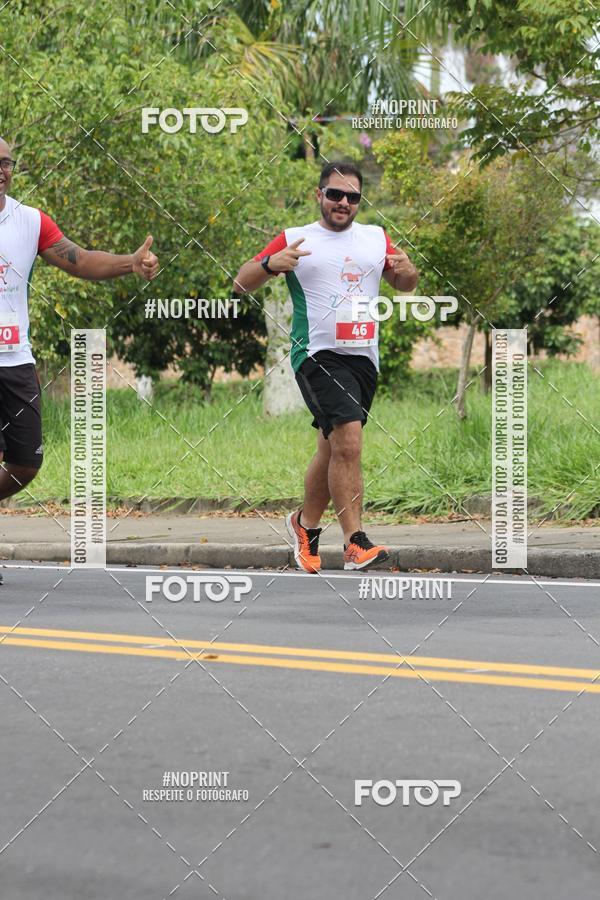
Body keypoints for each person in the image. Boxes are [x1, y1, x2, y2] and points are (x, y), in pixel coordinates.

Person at [234, 160, 418, 573]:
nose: (343, 202)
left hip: (364, 357)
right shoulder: (295, 238)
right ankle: (354, 543)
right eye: (335, 194)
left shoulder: (375, 238)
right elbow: (241, 282)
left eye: (353, 197)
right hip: (316, 354)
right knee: (349, 442)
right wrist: (269, 264)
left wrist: (409, 273)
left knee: (333, 447)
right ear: (319, 195)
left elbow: (403, 283)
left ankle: (305, 524)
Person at [0, 137, 159, 584]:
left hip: (15, 361)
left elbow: (81, 260)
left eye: (7, 163)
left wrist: (130, 263)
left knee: (25, 464)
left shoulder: (29, 221)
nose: (1, 170)